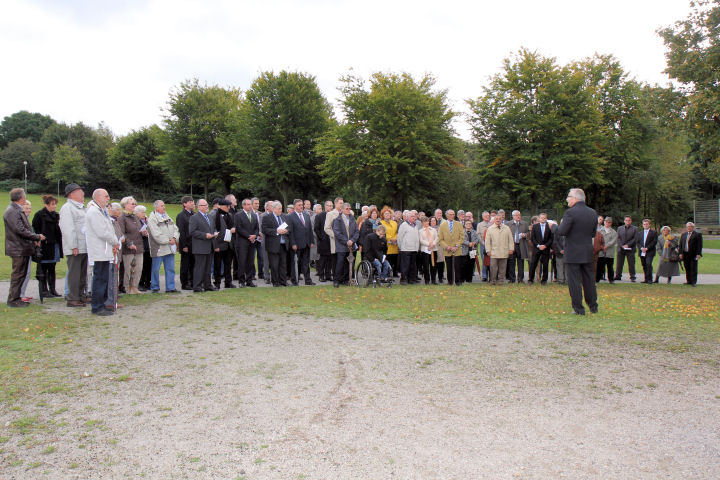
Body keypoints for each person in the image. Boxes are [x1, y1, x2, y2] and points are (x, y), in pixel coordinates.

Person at [557, 188, 598, 315]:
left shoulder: (570, 213)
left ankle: (578, 308)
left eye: (568, 197)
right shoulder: (592, 212)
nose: (567, 199)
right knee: (589, 279)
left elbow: (562, 231)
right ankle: (593, 306)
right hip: (586, 250)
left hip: (573, 251)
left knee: (574, 280)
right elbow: (592, 233)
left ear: (575, 198)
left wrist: (560, 224)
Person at [4, 188, 44, 307]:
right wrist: (36, 237)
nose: (25, 198)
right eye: (24, 196)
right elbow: (20, 230)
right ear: (21, 197)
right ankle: (13, 300)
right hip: (18, 248)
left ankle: (17, 298)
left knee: (21, 274)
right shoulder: (12, 211)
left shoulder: (17, 210)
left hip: (22, 247)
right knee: (18, 274)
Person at [85, 189, 120, 316]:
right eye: (106, 196)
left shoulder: (102, 211)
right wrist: (114, 241)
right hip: (99, 249)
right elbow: (102, 232)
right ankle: (97, 306)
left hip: (105, 249)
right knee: (99, 278)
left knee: (104, 278)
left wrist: (113, 241)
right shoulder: (94, 212)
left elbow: (109, 228)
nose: (108, 198)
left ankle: (103, 304)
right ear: (98, 197)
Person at [59, 183, 88, 307]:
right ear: (71, 194)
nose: (82, 193)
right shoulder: (67, 208)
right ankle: (72, 298)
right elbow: (67, 228)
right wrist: (73, 245)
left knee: (82, 273)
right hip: (75, 247)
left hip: (84, 246)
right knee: (74, 273)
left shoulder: (81, 208)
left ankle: (80, 295)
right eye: (79, 191)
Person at [32, 195, 63, 298]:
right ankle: (44, 290)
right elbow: (35, 229)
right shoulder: (39, 215)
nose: (54, 206)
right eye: (52, 204)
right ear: (46, 205)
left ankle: (52, 289)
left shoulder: (56, 216)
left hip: (54, 244)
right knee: (43, 268)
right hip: (44, 245)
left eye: (55, 204)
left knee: (52, 268)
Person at [147, 200, 180, 293]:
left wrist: (174, 238)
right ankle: (155, 287)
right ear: (156, 207)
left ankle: (170, 287)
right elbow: (156, 234)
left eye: (164, 205)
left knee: (170, 268)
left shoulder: (167, 217)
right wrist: (168, 241)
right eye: (162, 206)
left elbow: (176, 229)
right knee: (156, 269)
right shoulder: (152, 219)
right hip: (159, 248)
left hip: (170, 248)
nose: (164, 207)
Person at [117, 197, 145, 295]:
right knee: (129, 269)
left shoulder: (136, 217)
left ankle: (135, 287)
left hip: (139, 246)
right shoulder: (122, 217)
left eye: (134, 203)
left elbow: (139, 229)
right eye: (132, 204)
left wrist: (144, 232)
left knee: (138, 268)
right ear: (125, 205)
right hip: (128, 248)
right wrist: (129, 243)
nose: (134, 205)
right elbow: (121, 233)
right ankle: (128, 287)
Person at [189, 199, 218, 292]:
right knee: (199, 267)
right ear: (198, 207)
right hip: (200, 246)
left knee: (208, 267)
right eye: (204, 205)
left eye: (207, 204)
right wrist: (204, 235)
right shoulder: (194, 217)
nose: (206, 206)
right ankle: (197, 286)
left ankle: (207, 285)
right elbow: (192, 231)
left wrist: (214, 233)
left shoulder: (210, 217)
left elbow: (212, 228)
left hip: (210, 246)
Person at [287, 198, 315, 286]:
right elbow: (290, 232)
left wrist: (311, 241)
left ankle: (308, 280)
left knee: (306, 263)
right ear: (295, 206)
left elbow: (310, 229)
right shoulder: (290, 217)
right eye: (299, 205)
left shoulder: (306, 215)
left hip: (306, 243)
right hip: (297, 244)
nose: (301, 206)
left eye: (302, 205)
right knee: (295, 262)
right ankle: (294, 280)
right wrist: (293, 243)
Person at [262, 200, 290, 287]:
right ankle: (275, 282)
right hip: (273, 245)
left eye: (281, 208)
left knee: (283, 264)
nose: (280, 210)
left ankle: (283, 281)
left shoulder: (284, 217)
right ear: (273, 209)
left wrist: (286, 231)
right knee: (274, 265)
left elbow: (288, 228)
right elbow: (264, 229)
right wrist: (276, 231)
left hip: (283, 244)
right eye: (278, 209)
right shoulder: (267, 217)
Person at [208, 199, 236, 289]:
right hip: (219, 244)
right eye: (228, 207)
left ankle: (228, 282)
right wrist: (215, 246)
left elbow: (233, 225)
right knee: (217, 264)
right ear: (223, 206)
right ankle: (217, 282)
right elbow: (212, 230)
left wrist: (234, 229)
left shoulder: (230, 215)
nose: (229, 208)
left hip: (228, 243)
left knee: (228, 264)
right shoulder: (214, 215)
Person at [332, 203, 360, 287]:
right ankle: (337, 280)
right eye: (347, 208)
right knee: (340, 263)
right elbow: (337, 233)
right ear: (342, 210)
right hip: (341, 245)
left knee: (349, 263)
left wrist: (352, 240)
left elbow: (356, 232)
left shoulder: (352, 219)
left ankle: (345, 279)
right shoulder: (337, 220)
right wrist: (346, 241)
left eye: (349, 208)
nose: (349, 210)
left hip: (351, 245)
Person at [234, 198, 259, 288]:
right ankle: (241, 281)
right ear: (243, 205)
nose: (250, 206)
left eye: (250, 204)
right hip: (242, 242)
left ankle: (249, 280)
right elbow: (239, 228)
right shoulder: (238, 215)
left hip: (252, 242)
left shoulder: (254, 215)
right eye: (248, 204)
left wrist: (254, 236)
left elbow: (257, 228)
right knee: (242, 262)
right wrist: (249, 236)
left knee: (250, 262)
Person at [484, 214, 513, 285]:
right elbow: (487, 241)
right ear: (494, 220)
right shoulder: (490, 229)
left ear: (502, 220)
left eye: (499, 219)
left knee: (503, 268)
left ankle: (501, 281)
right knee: (493, 268)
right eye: (496, 219)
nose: (498, 220)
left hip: (504, 251)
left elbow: (511, 240)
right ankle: (492, 281)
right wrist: (488, 250)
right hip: (494, 252)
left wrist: (511, 249)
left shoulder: (507, 228)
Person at [438, 209, 464, 286]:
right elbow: (440, 239)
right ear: (446, 215)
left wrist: (456, 246)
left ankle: (458, 281)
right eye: (450, 214)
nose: (452, 216)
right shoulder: (442, 225)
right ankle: (450, 281)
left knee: (457, 266)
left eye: (453, 214)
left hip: (457, 249)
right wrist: (446, 247)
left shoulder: (459, 224)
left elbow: (462, 237)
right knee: (449, 266)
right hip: (447, 250)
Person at [528, 213, 553, 285]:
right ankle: (530, 279)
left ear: (546, 218)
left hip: (546, 248)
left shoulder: (549, 227)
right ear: (539, 218)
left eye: (544, 218)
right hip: (537, 248)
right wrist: (538, 245)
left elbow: (551, 238)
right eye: (541, 218)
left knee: (545, 264)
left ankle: (544, 280)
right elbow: (532, 237)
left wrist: (545, 245)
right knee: (533, 264)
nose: (543, 219)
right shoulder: (535, 227)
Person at [176, 196, 195, 290]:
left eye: (192, 201)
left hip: (194, 244)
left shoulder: (194, 214)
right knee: (185, 265)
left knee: (193, 264)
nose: (192, 203)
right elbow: (181, 232)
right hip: (186, 244)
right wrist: (183, 245)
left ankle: (192, 281)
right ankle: (184, 283)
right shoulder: (181, 216)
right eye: (190, 202)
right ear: (184, 204)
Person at [397, 210, 420, 285]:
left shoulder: (416, 225)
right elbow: (400, 237)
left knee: (412, 266)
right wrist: (401, 247)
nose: (414, 218)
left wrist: (417, 247)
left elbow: (417, 237)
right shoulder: (404, 225)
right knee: (405, 266)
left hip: (414, 249)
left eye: (414, 216)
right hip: (405, 249)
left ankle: (411, 279)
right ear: (407, 218)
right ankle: (403, 279)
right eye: (412, 216)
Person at [507, 210, 530, 283]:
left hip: (521, 245)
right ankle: (511, 279)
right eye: (516, 215)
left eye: (519, 215)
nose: (518, 216)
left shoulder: (525, 224)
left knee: (521, 263)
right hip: (512, 246)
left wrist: (525, 235)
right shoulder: (508, 224)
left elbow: (529, 232)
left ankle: (520, 279)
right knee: (511, 263)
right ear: (513, 216)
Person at [324, 197, 344, 282]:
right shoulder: (331, 214)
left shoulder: (345, 213)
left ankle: (343, 278)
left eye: (343, 203)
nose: (342, 205)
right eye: (340, 203)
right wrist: (335, 236)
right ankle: (336, 278)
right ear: (335, 204)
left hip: (344, 241)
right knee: (335, 260)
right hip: (335, 241)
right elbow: (326, 228)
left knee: (343, 260)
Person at [19, 200, 35, 302]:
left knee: (27, 272)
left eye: (29, 208)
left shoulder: (27, 220)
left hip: (28, 249)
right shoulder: (21, 220)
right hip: (22, 250)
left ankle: (22, 293)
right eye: (26, 208)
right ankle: (20, 294)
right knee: (23, 272)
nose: (28, 210)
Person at [314, 201, 333, 282]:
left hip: (331, 240)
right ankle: (321, 275)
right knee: (322, 259)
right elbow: (316, 228)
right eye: (329, 206)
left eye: (332, 206)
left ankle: (328, 275)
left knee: (330, 259)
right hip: (323, 241)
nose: (331, 207)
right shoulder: (319, 216)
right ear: (325, 206)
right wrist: (322, 237)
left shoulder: (333, 215)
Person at [614, 216, 638, 282]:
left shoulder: (635, 229)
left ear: (631, 221)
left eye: (629, 220)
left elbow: (635, 239)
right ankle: (618, 276)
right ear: (624, 221)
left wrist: (628, 245)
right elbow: (618, 238)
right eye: (626, 220)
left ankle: (632, 277)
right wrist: (622, 245)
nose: (627, 221)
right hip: (621, 249)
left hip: (630, 249)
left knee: (631, 263)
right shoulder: (619, 228)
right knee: (619, 263)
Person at [679, 222, 703, 286]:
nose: (688, 228)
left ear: (693, 227)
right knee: (687, 267)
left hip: (693, 254)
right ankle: (688, 281)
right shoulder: (684, 234)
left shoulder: (697, 235)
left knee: (693, 268)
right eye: (687, 227)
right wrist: (680, 253)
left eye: (690, 226)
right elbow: (681, 245)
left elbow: (699, 245)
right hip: (685, 254)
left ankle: (693, 282)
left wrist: (699, 254)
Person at [418, 216, 439, 284]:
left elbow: (437, 238)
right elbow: (421, 240)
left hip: (433, 249)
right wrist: (429, 244)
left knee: (433, 265)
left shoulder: (433, 230)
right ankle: (427, 280)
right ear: (422, 223)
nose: (426, 223)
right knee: (426, 266)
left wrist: (433, 244)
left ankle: (433, 280)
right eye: (424, 221)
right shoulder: (420, 231)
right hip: (425, 250)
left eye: (427, 221)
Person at [380, 206, 399, 277]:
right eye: (386, 214)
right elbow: (383, 232)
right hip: (386, 245)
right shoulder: (381, 223)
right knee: (388, 261)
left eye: (389, 213)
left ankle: (394, 273)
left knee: (395, 260)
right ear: (383, 215)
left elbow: (397, 232)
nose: (387, 215)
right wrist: (390, 238)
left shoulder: (394, 223)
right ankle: (387, 274)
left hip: (394, 245)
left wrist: (395, 238)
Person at [597, 217, 617, 283]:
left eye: (609, 222)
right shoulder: (599, 231)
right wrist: (602, 246)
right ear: (604, 222)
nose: (607, 223)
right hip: (601, 251)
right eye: (606, 222)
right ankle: (597, 278)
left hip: (609, 252)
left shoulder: (614, 232)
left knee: (610, 266)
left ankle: (611, 279)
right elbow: (597, 239)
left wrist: (606, 246)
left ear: (611, 223)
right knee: (599, 266)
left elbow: (613, 241)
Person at [638, 218, 658, 284]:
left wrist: (647, 248)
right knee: (644, 265)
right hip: (642, 251)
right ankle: (646, 279)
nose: (645, 225)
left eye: (647, 224)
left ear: (649, 225)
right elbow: (637, 242)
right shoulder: (640, 233)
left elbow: (654, 242)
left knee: (648, 264)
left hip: (650, 251)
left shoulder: (654, 233)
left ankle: (650, 279)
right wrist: (641, 248)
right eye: (644, 224)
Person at [250, 197, 264, 281]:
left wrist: (261, 233)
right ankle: (252, 274)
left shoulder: (260, 214)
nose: (257, 205)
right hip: (253, 237)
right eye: (255, 203)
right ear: (251, 204)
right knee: (252, 256)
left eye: (258, 203)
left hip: (260, 238)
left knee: (261, 256)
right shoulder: (249, 214)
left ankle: (261, 273)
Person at [476, 211, 491, 281]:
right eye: (485, 216)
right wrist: (482, 242)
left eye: (488, 216)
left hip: (491, 245)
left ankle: (491, 275)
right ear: (482, 217)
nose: (487, 217)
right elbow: (478, 235)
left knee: (491, 260)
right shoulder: (479, 225)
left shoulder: (492, 224)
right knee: (484, 260)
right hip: (483, 245)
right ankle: (484, 276)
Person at [429, 216, 444, 283]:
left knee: (440, 263)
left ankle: (440, 278)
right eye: (431, 221)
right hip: (431, 248)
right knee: (433, 263)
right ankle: (433, 278)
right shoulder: (428, 229)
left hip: (440, 247)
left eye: (434, 221)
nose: (433, 222)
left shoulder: (440, 228)